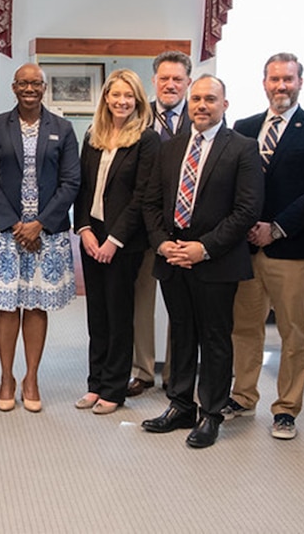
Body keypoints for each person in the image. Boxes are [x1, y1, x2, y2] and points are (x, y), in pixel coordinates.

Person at [224, 53, 304, 440]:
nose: (281, 86)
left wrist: (276, 228)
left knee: (293, 333)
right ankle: (242, 397)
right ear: (264, 83)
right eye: (274, 79)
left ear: (300, 82)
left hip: (292, 249)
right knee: (245, 328)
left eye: (288, 79)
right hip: (246, 250)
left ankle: (287, 408)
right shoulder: (244, 127)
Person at [141, 75, 262, 448]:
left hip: (216, 261)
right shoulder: (171, 147)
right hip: (173, 258)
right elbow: (151, 202)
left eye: (210, 99)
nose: (201, 106)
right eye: (196, 99)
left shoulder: (243, 148)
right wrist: (163, 244)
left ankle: (211, 412)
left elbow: (246, 210)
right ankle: (180, 405)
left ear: (225, 105)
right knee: (181, 332)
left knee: (214, 337)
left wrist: (203, 248)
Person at [0, 63, 80, 413]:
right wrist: (15, 224)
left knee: (35, 305)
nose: (30, 88)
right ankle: (6, 377)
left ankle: (31, 378)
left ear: (44, 88)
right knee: (7, 305)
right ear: (14, 87)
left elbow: (71, 182)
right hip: (5, 233)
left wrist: (41, 224)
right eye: (24, 83)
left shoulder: (62, 128)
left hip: (46, 235)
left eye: (36, 83)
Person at [74, 70, 160, 415]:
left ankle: (114, 389)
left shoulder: (147, 139)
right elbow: (82, 188)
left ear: (137, 100)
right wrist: (83, 229)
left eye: (129, 96)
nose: (122, 101)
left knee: (119, 314)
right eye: (116, 95)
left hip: (123, 242)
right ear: (106, 98)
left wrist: (114, 239)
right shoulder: (93, 135)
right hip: (92, 235)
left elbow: (142, 196)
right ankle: (95, 384)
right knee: (97, 315)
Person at [128, 50, 194, 397]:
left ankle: (175, 371)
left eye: (178, 79)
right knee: (142, 301)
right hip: (142, 227)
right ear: (154, 81)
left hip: (185, 230)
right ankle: (142, 369)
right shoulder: (138, 117)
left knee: (180, 304)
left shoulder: (200, 118)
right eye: (164, 79)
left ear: (188, 83)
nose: (171, 85)